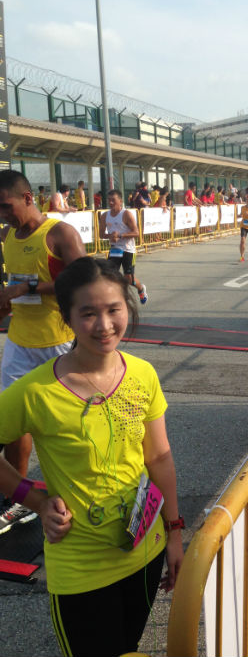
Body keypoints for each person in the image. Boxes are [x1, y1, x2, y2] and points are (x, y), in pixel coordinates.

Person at [0, 256, 184, 656]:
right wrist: (35, 499)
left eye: (113, 310)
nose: (104, 325)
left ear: (127, 307)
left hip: (145, 553)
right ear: (66, 317)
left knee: (129, 647)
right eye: (87, 313)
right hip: (80, 569)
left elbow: (159, 459)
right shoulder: (36, 391)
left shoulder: (143, 375)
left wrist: (174, 533)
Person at [0, 170, 86, 533]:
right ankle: (17, 499)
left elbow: (84, 278)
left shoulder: (59, 233)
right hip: (19, 342)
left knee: (68, 422)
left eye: (6, 206)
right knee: (12, 421)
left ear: (28, 199)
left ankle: (80, 494)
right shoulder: (6, 235)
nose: (2, 214)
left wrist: (30, 287)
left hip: (59, 342)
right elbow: (12, 285)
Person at [99, 189, 148, 305]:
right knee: (109, 275)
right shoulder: (105, 216)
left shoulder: (126, 214)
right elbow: (101, 235)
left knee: (129, 279)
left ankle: (141, 289)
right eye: (109, 200)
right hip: (115, 249)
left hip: (128, 250)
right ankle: (118, 299)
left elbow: (136, 233)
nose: (110, 203)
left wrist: (120, 235)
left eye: (113, 200)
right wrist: (110, 236)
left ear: (120, 201)